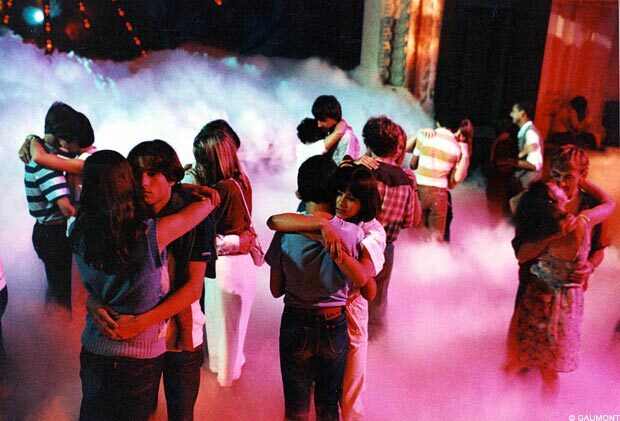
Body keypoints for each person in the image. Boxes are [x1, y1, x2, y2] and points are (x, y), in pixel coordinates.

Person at [71, 150, 215, 421]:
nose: (143, 182)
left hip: (106, 346)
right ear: (126, 182)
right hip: (139, 351)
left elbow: (192, 289)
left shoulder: (78, 228)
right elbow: (207, 204)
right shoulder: (147, 231)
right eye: (136, 175)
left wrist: (180, 186)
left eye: (152, 174)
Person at [267, 164, 385, 420]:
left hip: (319, 317)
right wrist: (322, 230)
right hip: (334, 320)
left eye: (351, 197)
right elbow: (274, 221)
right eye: (339, 193)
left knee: (313, 402)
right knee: (328, 404)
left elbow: (366, 283)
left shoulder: (369, 230)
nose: (342, 202)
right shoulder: (350, 232)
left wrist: (327, 239)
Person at [506, 179, 614, 396]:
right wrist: (583, 181)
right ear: (554, 201)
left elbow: (522, 255)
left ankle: (501, 404)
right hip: (564, 306)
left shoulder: (540, 229)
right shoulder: (583, 222)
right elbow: (609, 204)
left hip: (537, 300)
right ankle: (546, 409)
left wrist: (547, 236)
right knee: (549, 370)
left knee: (518, 360)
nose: (560, 184)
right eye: (555, 186)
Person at [183, 121, 257, 387]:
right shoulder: (242, 182)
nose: (198, 164)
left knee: (222, 338)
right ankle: (229, 386)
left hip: (225, 269)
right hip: (242, 267)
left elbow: (199, 237)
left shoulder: (222, 190)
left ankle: (225, 393)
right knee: (233, 336)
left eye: (202, 158)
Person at [362, 116, 420, 338]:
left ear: (368, 144)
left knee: (351, 297)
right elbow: (410, 221)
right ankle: (376, 345)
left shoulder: (363, 172)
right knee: (377, 301)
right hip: (385, 248)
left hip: (358, 245)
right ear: (396, 147)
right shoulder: (406, 179)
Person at [22, 103, 77, 309]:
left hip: (46, 232)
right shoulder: (45, 165)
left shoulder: (43, 153)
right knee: (61, 292)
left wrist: (32, 139)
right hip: (53, 234)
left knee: (56, 287)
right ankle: (56, 326)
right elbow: (67, 209)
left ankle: (53, 322)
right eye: (68, 138)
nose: (70, 144)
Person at [409, 116, 467, 241]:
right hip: (440, 193)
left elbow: (410, 160)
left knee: (416, 233)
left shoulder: (426, 136)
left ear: (438, 122)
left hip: (419, 190)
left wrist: (419, 134)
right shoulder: (456, 147)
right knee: (436, 236)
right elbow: (455, 179)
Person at [306, 95, 362, 166]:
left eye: (323, 119)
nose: (319, 125)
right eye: (317, 119)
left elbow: (346, 167)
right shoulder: (328, 131)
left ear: (333, 116)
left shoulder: (346, 137)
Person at [508, 101, 543, 195]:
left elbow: (534, 165)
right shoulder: (525, 132)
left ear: (522, 113)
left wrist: (509, 162)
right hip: (522, 186)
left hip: (526, 188)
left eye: (513, 111)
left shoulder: (530, 133)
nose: (511, 114)